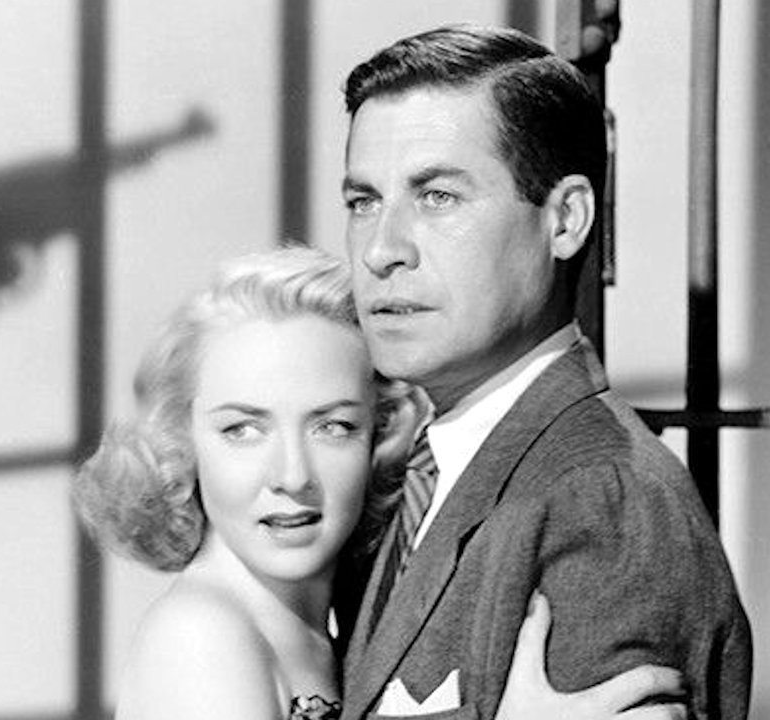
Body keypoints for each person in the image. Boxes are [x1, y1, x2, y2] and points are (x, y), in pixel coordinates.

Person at [73, 247, 691, 720]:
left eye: (333, 427)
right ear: (182, 445)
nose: (292, 476)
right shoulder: (202, 637)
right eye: (243, 430)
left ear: (381, 435)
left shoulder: (315, 625)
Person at [336, 24, 753, 720]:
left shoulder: (602, 503)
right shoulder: (423, 468)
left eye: (438, 197)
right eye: (364, 202)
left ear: (565, 220)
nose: (382, 249)